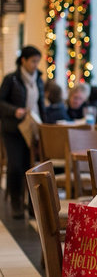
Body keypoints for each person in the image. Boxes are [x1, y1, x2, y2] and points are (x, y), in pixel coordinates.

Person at [0, 46, 47, 219]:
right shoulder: (11, 79)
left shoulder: (39, 79)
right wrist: (14, 111)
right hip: (13, 129)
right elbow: (1, 102)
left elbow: (41, 105)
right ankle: (16, 204)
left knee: (33, 167)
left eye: (37, 61)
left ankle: (32, 206)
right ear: (23, 61)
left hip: (33, 129)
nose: (36, 65)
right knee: (15, 165)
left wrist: (45, 125)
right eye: (33, 61)